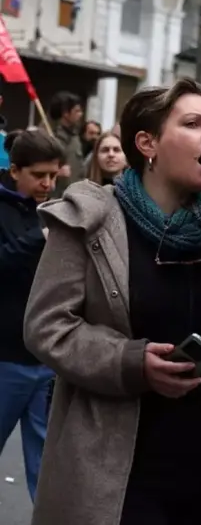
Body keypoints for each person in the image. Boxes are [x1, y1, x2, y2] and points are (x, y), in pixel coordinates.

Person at [23, 78, 201, 525]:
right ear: (147, 143)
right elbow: (47, 326)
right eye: (193, 123)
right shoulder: (90, 219)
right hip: (120, 476)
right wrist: (130, 363)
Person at [0, 130, 63, 501]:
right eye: (39, 175)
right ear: (15, 171)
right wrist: (39, 237)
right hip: (6, 358)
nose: (47, 183)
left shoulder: (52, 209)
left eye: (54, 176)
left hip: (46, 356)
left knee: (46, 465)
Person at [44, 91, 85, 197]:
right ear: (66, 113)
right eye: (77, 111)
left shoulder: (75, 136)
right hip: (55, 199)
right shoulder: (49, 137)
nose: (80, 114)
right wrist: (55, 173)